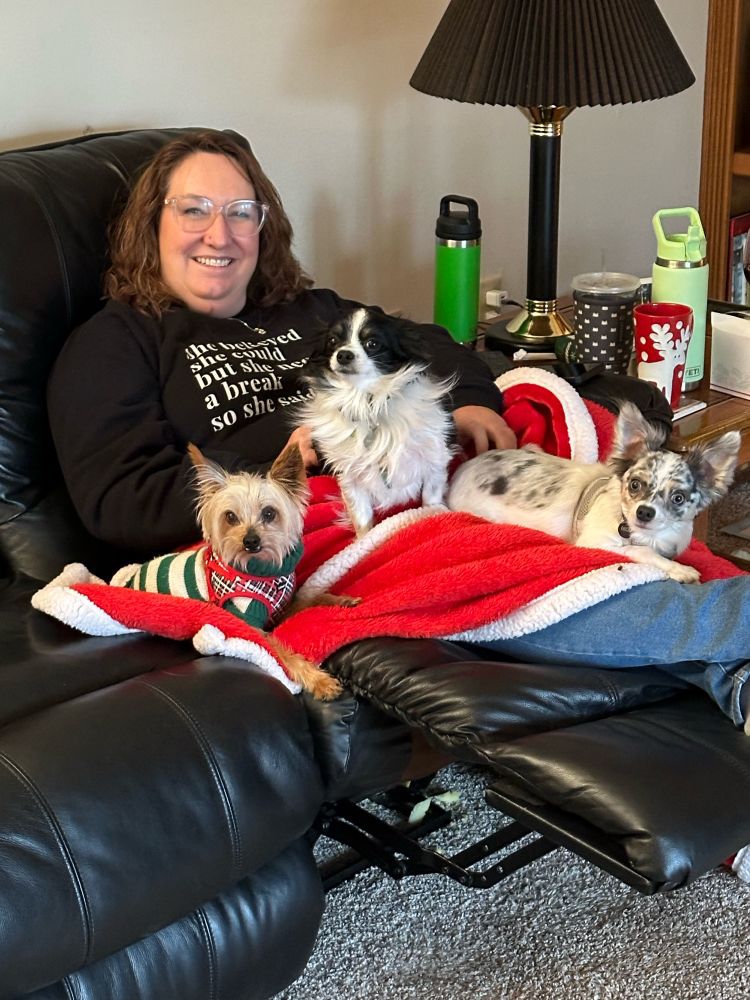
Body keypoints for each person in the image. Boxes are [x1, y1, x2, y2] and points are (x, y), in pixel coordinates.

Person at [47, 129, 750, 731]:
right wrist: (284, 461)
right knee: (531, 568)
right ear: (152, 223)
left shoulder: (309, 309)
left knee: (621, 513)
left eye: (240, 211)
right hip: (323, 526)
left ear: (264, 225)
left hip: (427, 475)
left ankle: (735, 680)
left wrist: (474, 400)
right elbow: (122, 503)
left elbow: (431, 345)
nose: (219, 233)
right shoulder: (115, 344)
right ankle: (732, 630)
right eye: (193, 210)